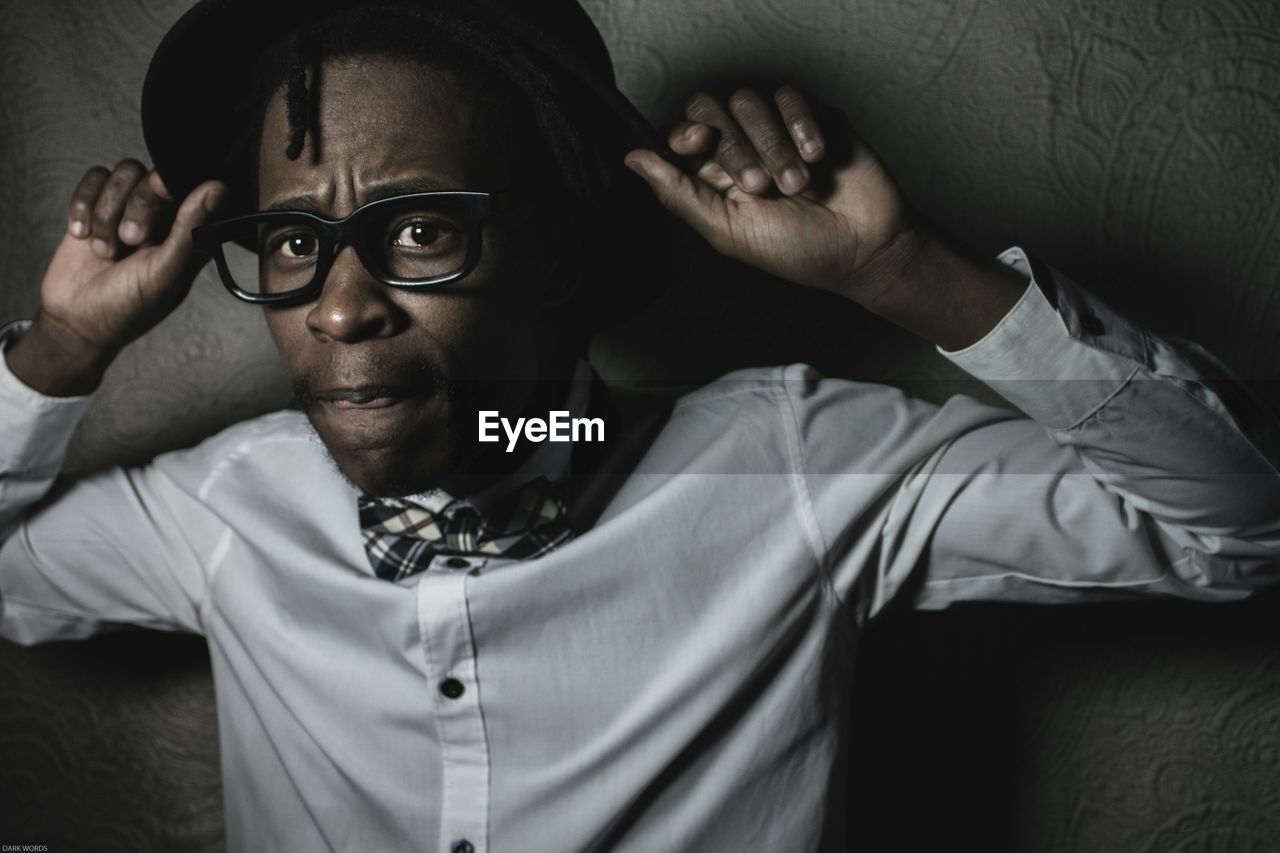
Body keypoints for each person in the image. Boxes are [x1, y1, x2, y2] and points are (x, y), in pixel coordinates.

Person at [1, 0, 1276, 850]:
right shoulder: (221, 506)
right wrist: (60, 351)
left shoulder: (785, 466)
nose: (338, 306)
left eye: (422, 230)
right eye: (292, 240)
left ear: (553, 252)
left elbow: (1238, 528)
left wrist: (902, 271)